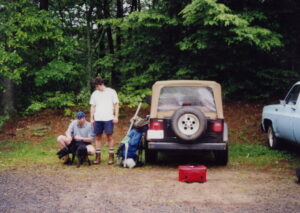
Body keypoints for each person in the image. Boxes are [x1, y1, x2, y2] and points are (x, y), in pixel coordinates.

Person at [90, 77, 119, 164]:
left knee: (109, 137)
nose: (96, 88)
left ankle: (111, 157)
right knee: (97, 137)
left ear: (99, 85)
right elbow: (92, 106)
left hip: (108, 118)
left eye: (96, 86)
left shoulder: (111, 91)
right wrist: (91, 118)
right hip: (98, 119)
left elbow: (116, 104)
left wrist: (116, 116)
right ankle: (98, 157)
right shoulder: (95, 94)